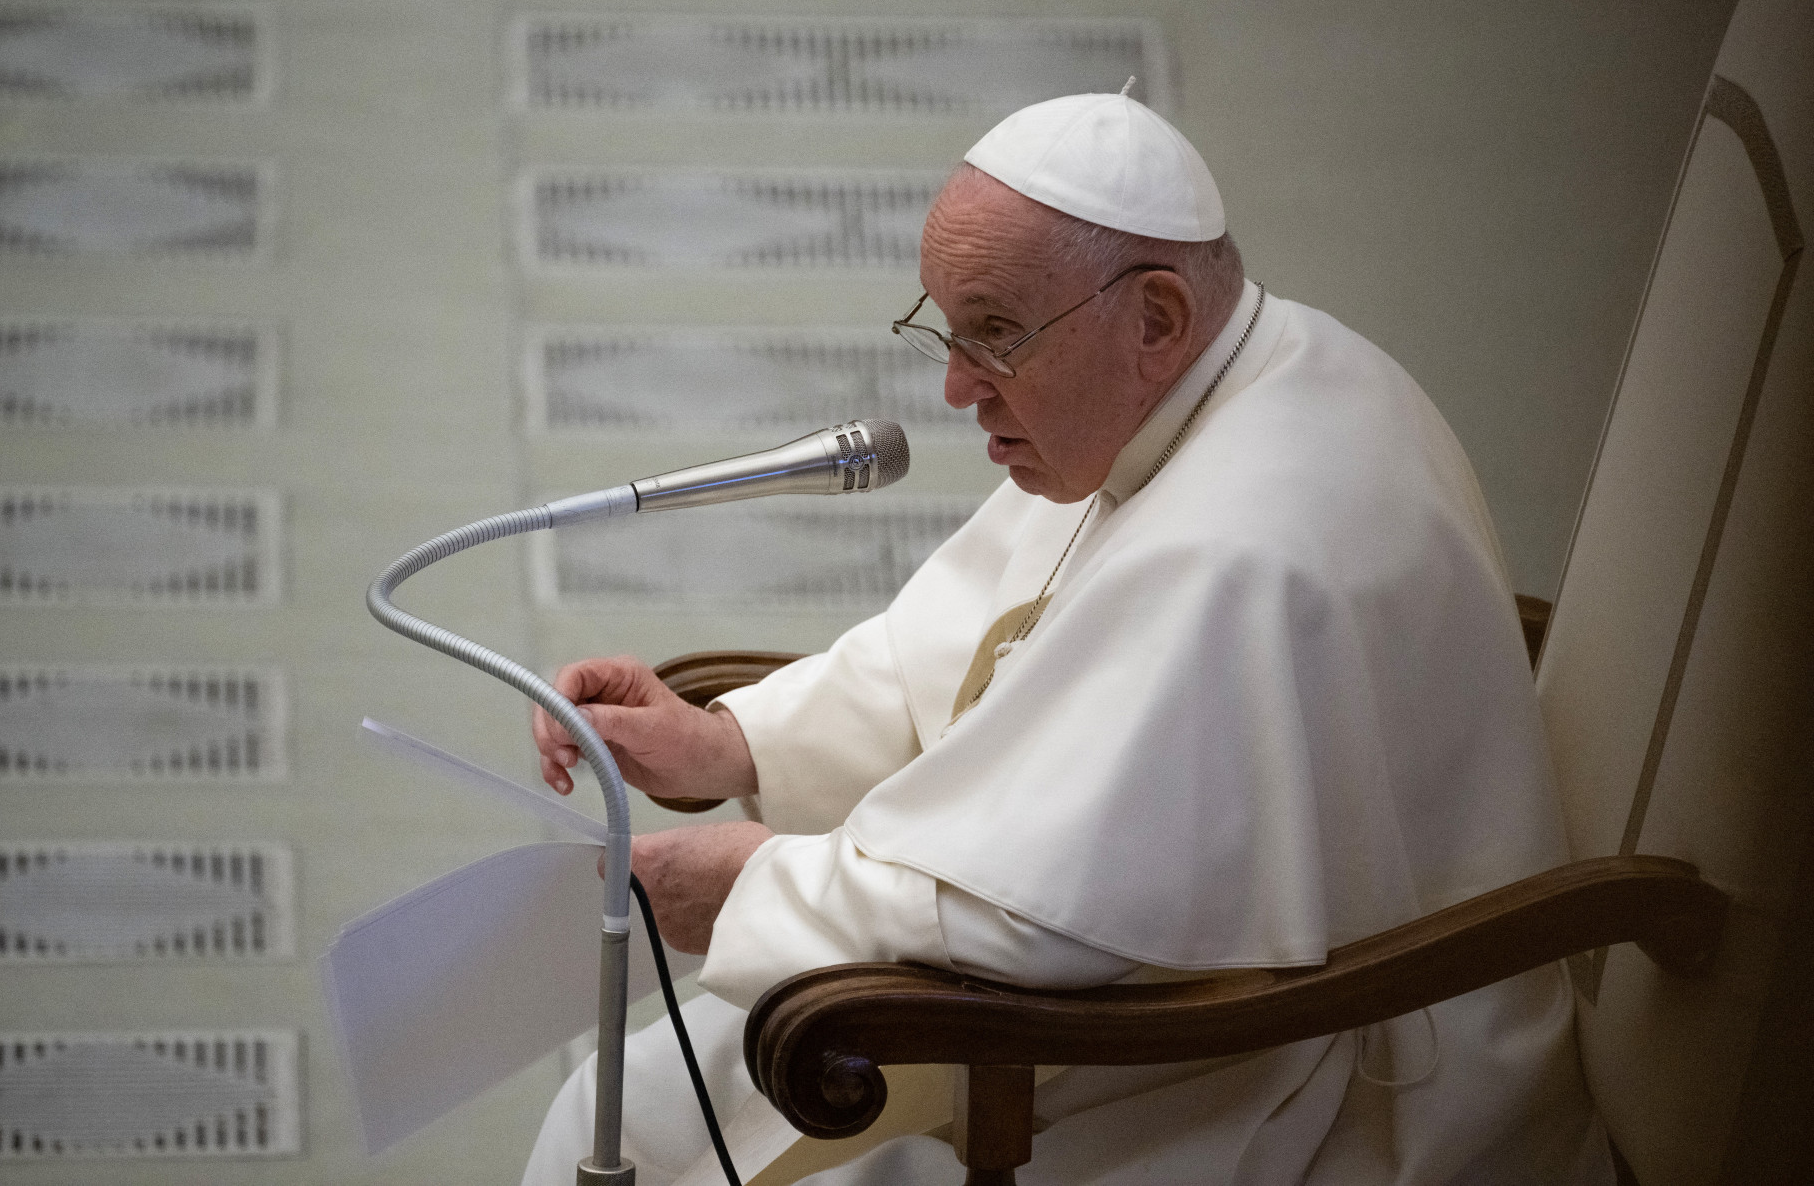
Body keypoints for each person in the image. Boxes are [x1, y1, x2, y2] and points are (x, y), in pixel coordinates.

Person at [521, 93, 1612, 1184]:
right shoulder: (1202, 387)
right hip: (1138, 999)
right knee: (611, 1108)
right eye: (947, 326)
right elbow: (955, 650)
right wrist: (726, 745)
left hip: (1277, 1068)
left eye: (995, 333)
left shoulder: (1250, 539)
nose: (954, 387)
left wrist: (754, 888)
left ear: (1155, 318)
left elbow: (1040, 921)